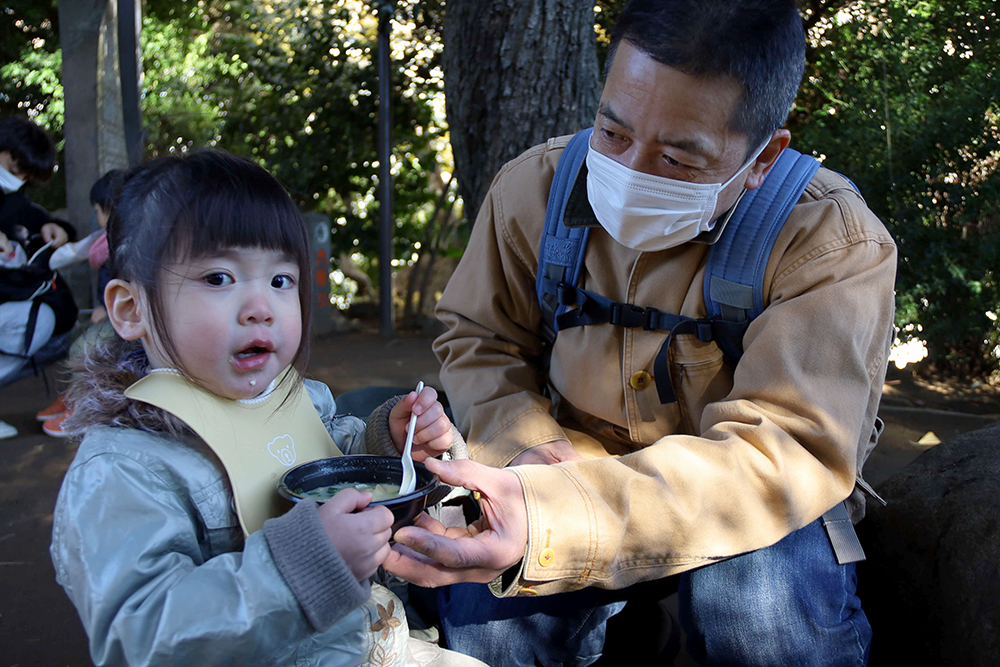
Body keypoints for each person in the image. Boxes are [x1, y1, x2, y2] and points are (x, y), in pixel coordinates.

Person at [384, 1, 897, 665]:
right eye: (613, 133)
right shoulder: (533, 191)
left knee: (762, 611)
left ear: (764, 156)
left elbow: (782, 453)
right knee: (490, 624)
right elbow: (480, 336)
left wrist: (566, 518)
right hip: (567, 464)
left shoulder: (831, 244)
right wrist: (527, 447)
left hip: (739, 498)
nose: (631, 172)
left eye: (680, 159)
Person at [50, 150, 483, 667]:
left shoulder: (288, 394)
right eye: (218, 278)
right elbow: (139, 636)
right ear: (131, 308)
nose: (261, 307)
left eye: (281, 281)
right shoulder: (125, 469)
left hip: (376, 641)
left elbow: (324, 454)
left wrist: (387, 442)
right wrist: (302, 567)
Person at [0, 115, 78, 437]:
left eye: (25, 176)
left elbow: (37, 218)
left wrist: (58, 228)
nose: (17, 179)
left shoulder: (14, 201)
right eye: (15, 170)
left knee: (45, 319)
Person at [36, 168, 124, 436]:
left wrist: (109, 309)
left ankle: (84, 409)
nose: (95, 217)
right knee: (76, 333)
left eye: (97, 210)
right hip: (111, 310)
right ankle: (73, 394)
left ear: (111, 209)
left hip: (125, 315)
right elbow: (71, 254)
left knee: (85, 347)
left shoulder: (128, 241)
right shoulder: (102, 239)